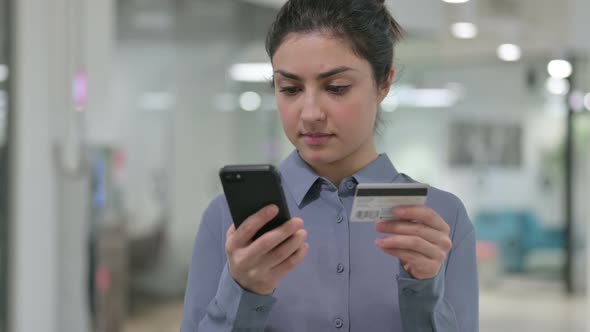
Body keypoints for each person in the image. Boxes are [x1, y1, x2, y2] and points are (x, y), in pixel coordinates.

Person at [181, 0, 478, 331]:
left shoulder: (441, 219)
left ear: (384, 84)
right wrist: (243, 292)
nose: (310, 114)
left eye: (336, 88)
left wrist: (424, 292)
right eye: (290, 89)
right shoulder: (229, 221)